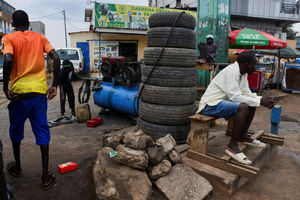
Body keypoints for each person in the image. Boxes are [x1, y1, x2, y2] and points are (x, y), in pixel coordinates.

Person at [2, 10, 60, 189]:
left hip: (19, 96)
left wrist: (5, 87)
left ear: (13, 25)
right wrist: (54, 85)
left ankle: (18, 167)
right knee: (42, 132)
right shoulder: (40, 38)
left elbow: (8, 59)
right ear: (28, 24)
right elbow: (56, 58)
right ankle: (45, 178)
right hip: (38, 95)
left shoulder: (9, 39)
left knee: (16, 132)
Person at [197, 51, 275, 165]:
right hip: (209, 106)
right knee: (242, 107)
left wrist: (260, 99)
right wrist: (259, 100)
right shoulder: (232, 71)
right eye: (254, 65)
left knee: (252, 104)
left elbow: (246, 93)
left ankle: (242, 136)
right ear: (247, 64)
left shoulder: (243, 73)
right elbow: (234, 96)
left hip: (222, 103)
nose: (255, 68)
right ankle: (232, 146)